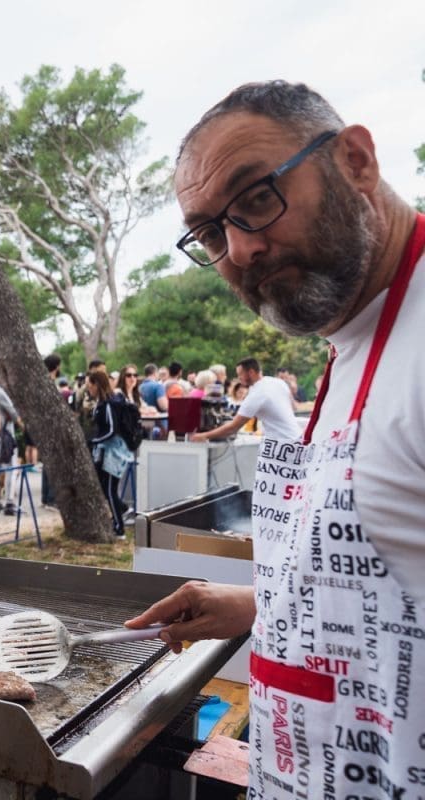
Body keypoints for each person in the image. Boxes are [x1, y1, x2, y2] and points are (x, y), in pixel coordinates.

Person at [127, 81, 425, 799]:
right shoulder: (355, 333)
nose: (240, 249)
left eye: (257, 197)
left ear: (355, 160)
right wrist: (256, 605)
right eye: (209, 233)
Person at [191, 357, 299, 442]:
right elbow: (294, 407)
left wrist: (203, 436)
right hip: (296, 436)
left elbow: (233, 428)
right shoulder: (278, 382)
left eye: (240, 374)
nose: (239, 378)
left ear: (251, 372)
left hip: (282, 443)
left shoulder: (257, 393)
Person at [85, 370, 130, 538]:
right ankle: (122, 509)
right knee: (104, 487)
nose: (88, 388)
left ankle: (120, 529)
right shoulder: (101, 403)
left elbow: (111, 430)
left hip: (114, 452)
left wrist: (93, 441)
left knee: (110, 489)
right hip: (106, 451)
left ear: (96, 384)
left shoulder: (109, 404)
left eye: (90, 384)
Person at [0, 366, 24, 515]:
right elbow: (14, 414)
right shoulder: (0, 392)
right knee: (10, 468)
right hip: (5, 435)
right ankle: (9, 502)